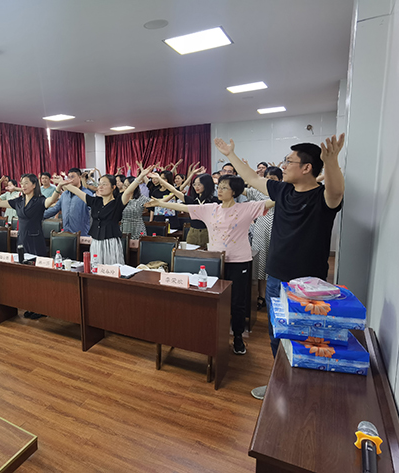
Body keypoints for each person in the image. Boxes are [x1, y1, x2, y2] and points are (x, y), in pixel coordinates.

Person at [214, 133, 345, 400]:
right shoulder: (283, 191)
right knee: (276, 333)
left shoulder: (322, 197)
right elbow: (251, 178)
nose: (283, 166)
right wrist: (229, 155)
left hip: (309, 285)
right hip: (276, 277)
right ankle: (282, 384)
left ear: (306, 168)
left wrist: (331, 161)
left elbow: (336, 191)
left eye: (289, 161)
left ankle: (304, 390)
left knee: (305, 337)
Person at [146, 174, 274, 356]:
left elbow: (273, 200)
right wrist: (161, 203)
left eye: (224, 187)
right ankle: (213, 334)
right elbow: (184, 207)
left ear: (234, 191)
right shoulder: (211, 208)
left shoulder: (246, 208)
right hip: (215, 261)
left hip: (239, 261)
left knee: (237, 302)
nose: (219, 190)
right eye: (219, 186)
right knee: (213, 299)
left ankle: (238, 337)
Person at [63, 168, 151, 264]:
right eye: (99, 184)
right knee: (96, 267)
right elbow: (77, 191)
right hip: (95, 242)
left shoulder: (118, 202)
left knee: (111, 267)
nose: (100, 187)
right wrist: (61, 182)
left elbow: (129, 190)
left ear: (113, 187)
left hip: (111, 242)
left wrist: (141, 176)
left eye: (104, 184)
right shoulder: (95, 201)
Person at [0, 174, 67, 256]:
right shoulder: (19, 201)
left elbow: (51, 200)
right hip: (21, 238)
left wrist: (58, 187)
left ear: (34, 185)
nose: (23, 186)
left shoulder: (39, 200)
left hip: (35, 239)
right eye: (22, 183)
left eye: (26, 183)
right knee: (22, 262)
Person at [244, 166, 283, 310]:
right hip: (261, 231)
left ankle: (278, 297)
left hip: (279, 231)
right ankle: (261, 296)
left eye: (273, 179)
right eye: (267, 178)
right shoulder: (258, 192)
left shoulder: (284, 192)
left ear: (280, 180)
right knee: (260, 264)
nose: (269, 181)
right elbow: (242, 190)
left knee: (277, 264)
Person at [149, 167, 218, 248]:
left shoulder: (215, 201)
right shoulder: (192, 200)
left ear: (206, 184)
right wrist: (159, 179)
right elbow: (173, 190)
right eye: (194, 184)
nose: (196, 187)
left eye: (199, 184)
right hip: (193, 233)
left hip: (209, 233)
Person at [43, 168, 93, 234]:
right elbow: (55, 209)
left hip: (82, 233)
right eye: (69, 177)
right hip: (66, 233)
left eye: (72, 177)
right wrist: (38, 215)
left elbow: (92, 214)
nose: (70, 179)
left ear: (79, 177)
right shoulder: (65, 194)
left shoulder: (87, 194)